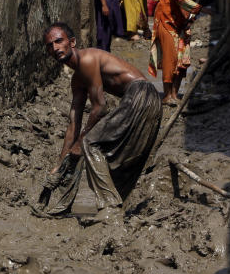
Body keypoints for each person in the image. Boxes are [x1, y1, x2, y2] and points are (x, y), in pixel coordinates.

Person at [36, 22, 162, 216]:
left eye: (59, 41)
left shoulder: (87, 59)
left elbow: (101, 107)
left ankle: (109, 206)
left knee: (90, 143)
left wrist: (80, 143)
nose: (55, 48)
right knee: (117, 160)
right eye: (50, 45)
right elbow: (73, 122)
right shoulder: (77, 80)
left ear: (72, 42)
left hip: (141, 96)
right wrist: (61, 162)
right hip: (145, 101)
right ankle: (119, 210)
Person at [149, 0, 212, 105]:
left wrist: (190, 18)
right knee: (170, 57)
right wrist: (200, 9)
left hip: (183, 20)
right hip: (167, 18)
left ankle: (174, 94)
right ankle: (167, 95)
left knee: (182, 58)